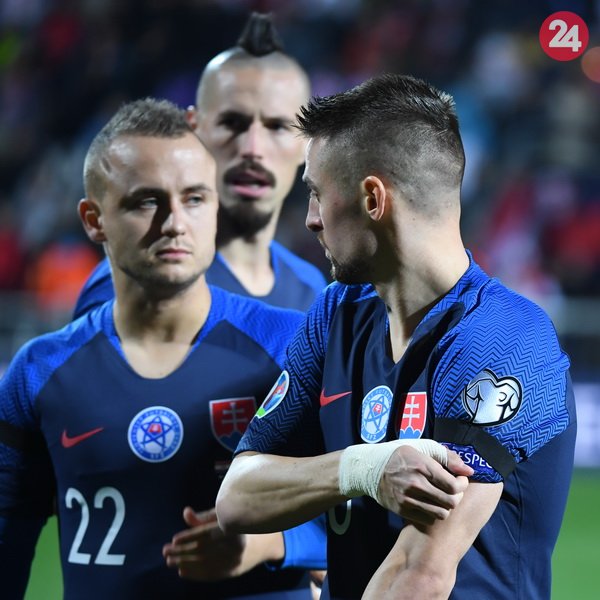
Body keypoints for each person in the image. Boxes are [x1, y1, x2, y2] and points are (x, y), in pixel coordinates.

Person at [216, 74, 577, 600]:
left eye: (316, 193)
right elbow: (237, 498)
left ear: (372, 198)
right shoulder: (337, 314)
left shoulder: (504, 343)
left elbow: (419, 576)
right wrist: (362, 469)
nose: (311, 219)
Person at [0, 98, 325, 600]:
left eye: (194, 198)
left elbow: (368, 510)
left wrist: (272, 543)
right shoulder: (39, 373)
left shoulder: (296, 344)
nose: (174, 222)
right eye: (146, 202)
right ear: (94, 219)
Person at [73, 12, 327, 318]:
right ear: (194, 129)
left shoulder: (310, 290)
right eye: (232, 123)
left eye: (277, 127)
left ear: (305, 144)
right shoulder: (133, 282)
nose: (252, 149)